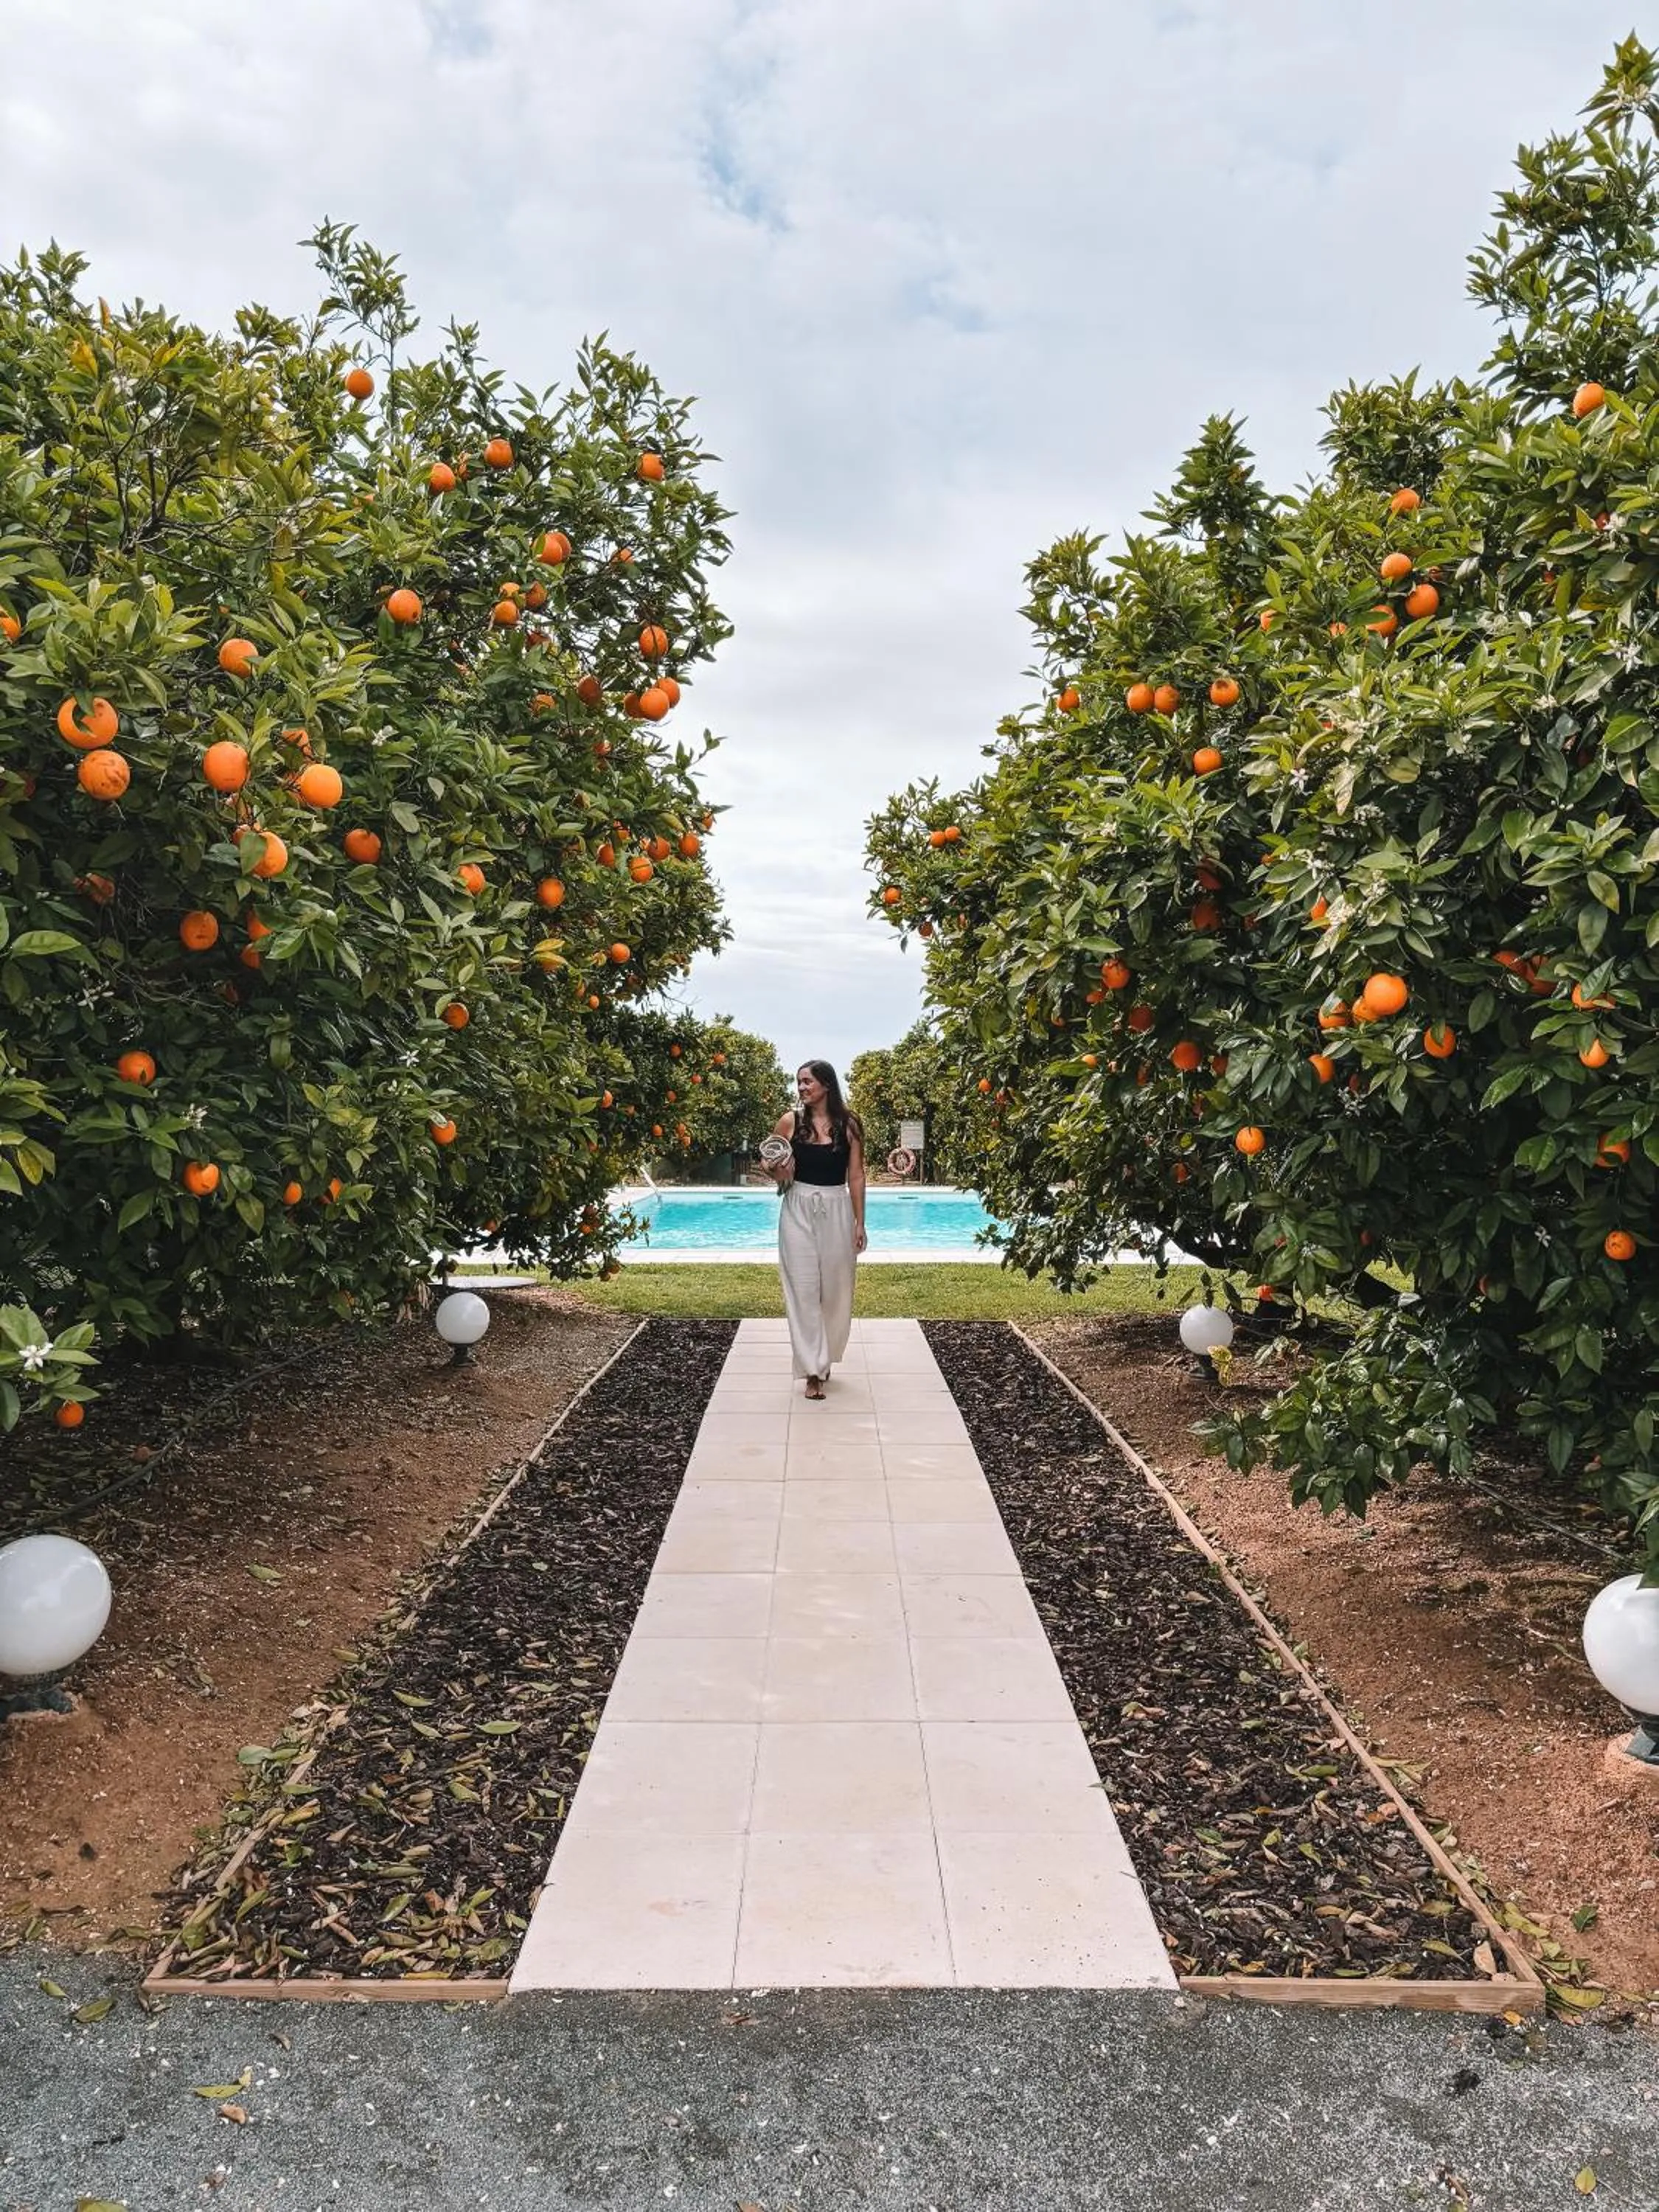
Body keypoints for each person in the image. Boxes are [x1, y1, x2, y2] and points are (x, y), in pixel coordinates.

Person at [763, 1061, 866, 1399]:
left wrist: (859, 1222)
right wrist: (778, 1169)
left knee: (836, 1292)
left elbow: (856, 1176)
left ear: (826, 1084)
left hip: (836, 1208)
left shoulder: (849, 1124)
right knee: (804, 1289)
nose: (802, 1088)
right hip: (798, 1207)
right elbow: (773, 1167)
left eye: (807, 1082)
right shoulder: (791, 1121)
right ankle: (813, 1369)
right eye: (799, 1083)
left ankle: (825, 1355)